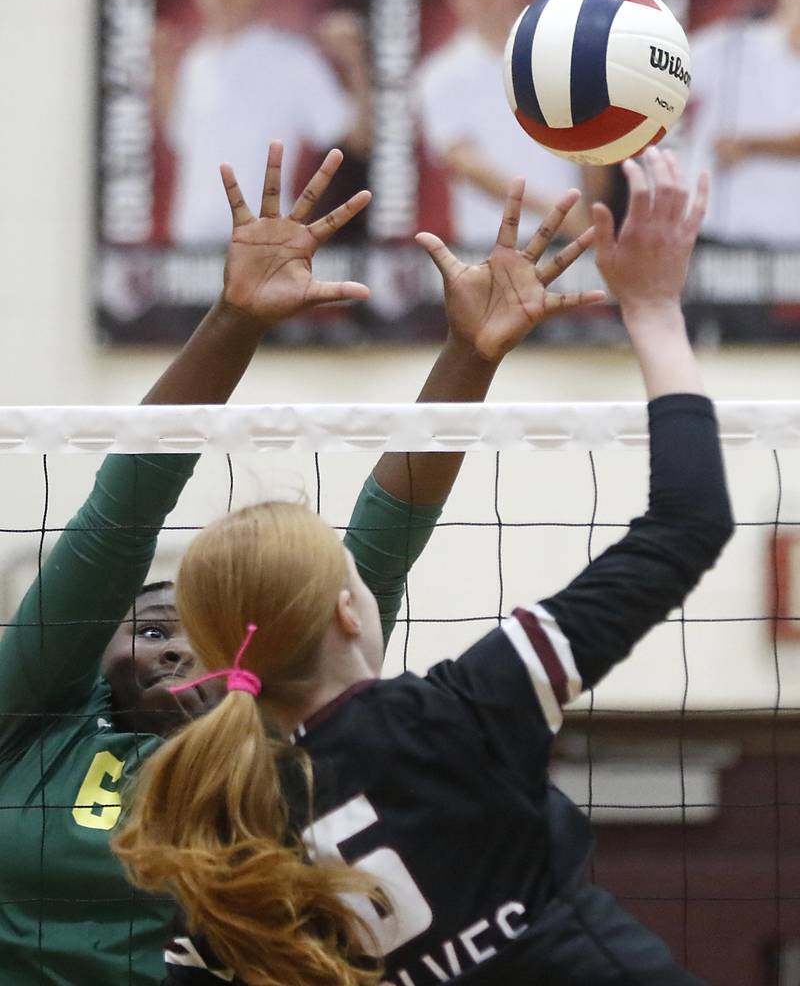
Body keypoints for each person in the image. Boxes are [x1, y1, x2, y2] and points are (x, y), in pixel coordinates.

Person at [114, 147, 732, 986]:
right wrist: (656, 311)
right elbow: (688, 524)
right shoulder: (462, 714)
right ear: (346, 611)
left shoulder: (231, 843)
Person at [0, 138, 597, 985]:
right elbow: (120, 515)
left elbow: (377, 548)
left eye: (202, 632)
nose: (175, 648)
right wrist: (233, 319)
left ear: (260, 658)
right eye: (154, 626)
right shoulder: (35, 719)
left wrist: (472, 352)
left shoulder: (289, 751)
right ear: (93, 646)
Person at [167, 0, 370, 246]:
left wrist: (355, 63)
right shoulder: (195, 62)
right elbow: (183, 142)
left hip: (263, 244)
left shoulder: (293, 59)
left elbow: (356, 137)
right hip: (190, 245)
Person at [417, 0, 604, 250]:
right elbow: (464, 162)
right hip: (493, 240)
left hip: (572, 234)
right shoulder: (441, 74)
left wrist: (591, 207)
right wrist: (552, 210)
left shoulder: (561, 56)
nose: (487, 5)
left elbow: (592, 138)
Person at [681, 0, 800, 247]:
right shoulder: (734, 42)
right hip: (717, 230)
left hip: (790, 236)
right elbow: (667, 78)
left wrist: (750, 145)